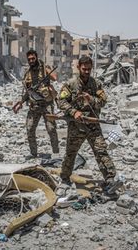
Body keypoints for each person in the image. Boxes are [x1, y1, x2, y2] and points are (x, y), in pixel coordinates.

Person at [57, 55, 116, 190]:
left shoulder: (96, 84)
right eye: (84, 69)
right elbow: (60, 101)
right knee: (71, 154)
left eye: (89, 69)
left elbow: (103, 101)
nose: (87, 72)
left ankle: (110, 179)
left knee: (101, 151)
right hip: (76, 126)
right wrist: (73, 112)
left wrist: (91, 100)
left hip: (93, 125)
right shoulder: (70, 84)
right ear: (78, 68)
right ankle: (65, 179)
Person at [13, 49, 59, 157]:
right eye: (29, 59)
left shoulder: (44, 69)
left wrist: (47, 70)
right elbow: (28, 92)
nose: (31, 61)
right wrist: (21, 102)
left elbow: (55, 78)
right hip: (34, 106)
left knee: (51, 129)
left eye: (33, 58)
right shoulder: (27, 74)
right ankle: (33, 154)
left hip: (46, 105)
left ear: (37, 58)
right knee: (29, 129)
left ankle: (56, 153)